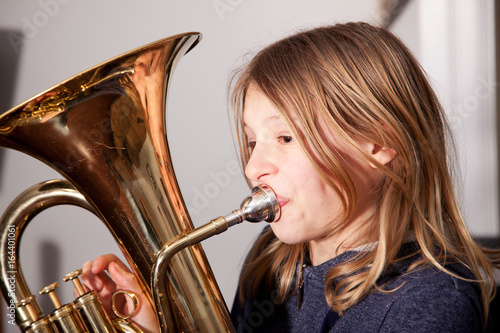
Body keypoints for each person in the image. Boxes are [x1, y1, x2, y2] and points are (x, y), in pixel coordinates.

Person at [81, 22, 500, 332]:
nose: (252, 168)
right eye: (251, 142)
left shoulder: (432, 301)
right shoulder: (270, 264)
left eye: (284, 137)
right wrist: (159, 325)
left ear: (377, 144)